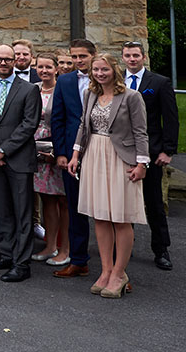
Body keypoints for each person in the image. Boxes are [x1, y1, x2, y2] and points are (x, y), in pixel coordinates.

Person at [67, 53, 150, 298]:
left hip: (121, 159)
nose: (100, 74)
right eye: (96, 70)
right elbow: (84, 126)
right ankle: (105, 271)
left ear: (114, 70)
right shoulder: (90, 94)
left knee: (121, 218)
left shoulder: (131, 97)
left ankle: (119, 273)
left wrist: (141, 164)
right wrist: (75, 155)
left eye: (104, 69)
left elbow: (141, 132)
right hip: (94, 155)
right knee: (100, 216)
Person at [0, 44, 42, 282]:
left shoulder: (28, 89)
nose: (2, 63)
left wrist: (3, 150)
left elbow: (29, 124)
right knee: (1, 210)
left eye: (7, 59)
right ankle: (5, 254)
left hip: (18, 159)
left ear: (15, 61)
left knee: (22, 213)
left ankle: (21, 263)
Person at [121, 41, 178, 271]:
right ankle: (126, 245)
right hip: (124, 150)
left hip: (152, 152)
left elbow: (171, 118)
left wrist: (168, 149)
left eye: (136, 55)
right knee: (124, 202)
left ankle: (161, 249)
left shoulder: (159, 83)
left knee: (153, 203)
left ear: (143, 57)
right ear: (123, 57)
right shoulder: (117, 81)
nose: (132, 59)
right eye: (128, 55)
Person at [51, 38, 94, 279]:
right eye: (74, 56)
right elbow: (58, 118)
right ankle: (79, 260)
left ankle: (116, 267)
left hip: (100, 151)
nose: (78, 61)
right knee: (75, 207)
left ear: (92, 55)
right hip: (70, 154)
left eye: (82, 57)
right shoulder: (65, 81)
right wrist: (61, 153)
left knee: (105, 210)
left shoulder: (103, 76)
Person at [30, 52, 70, 266]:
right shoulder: (33, 89)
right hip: (36, 151)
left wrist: (58, 152)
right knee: (47, 199)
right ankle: (50, 244)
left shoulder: (63, 90)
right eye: (40, 67)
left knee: (64, 201)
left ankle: (66, 248)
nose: (44, 71)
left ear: (56, 69)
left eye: (48, 67)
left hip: (58, 150)